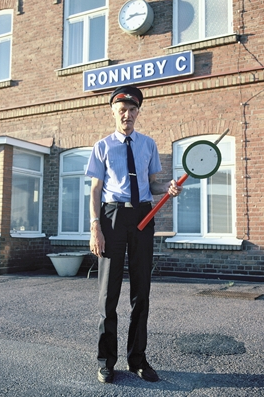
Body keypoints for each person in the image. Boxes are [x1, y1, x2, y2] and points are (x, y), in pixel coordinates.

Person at [85, 85, 182, 384]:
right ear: (113, 112)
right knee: (108, 295)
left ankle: (137, 359)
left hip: (142, 215)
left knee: (141, 291)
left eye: (132, 109)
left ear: (138, 112)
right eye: (122, 110)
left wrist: (167, 189)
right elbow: (96, 190)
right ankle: (106, 361)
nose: (127, 115)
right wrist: (95, 227)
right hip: (112, 217)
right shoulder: (102, 146)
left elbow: (151, 185)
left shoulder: (148, 144)